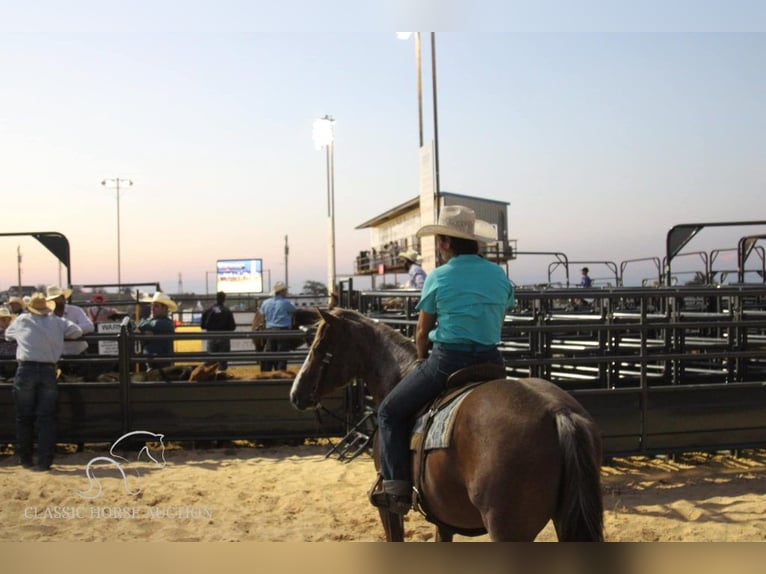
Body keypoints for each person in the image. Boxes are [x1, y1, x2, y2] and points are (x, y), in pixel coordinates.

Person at [371, 205, 515, 515]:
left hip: (449, 360)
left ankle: (396, 489)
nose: (439, 246)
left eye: (439, 240)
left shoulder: (439, 276)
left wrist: (422, 359)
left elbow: (422, 331)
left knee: (390, 413)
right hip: (491, 360)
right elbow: (500, 313)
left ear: (446, 242)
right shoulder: (498, 274)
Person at [4, 292, 83, 471]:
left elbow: (8, 335)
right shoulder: (58, 321)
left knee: (24, 417)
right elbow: (77, 332)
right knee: (47, 418)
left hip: (26, 369)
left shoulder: (22, 320)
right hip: (48, 369)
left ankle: (25, 459)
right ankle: (45, 461)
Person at [46, 285, 95, 376]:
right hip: (57, 358)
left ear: (64, 298)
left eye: (58, 298)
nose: (56, 301)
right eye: (53, 299)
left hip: (79, 355)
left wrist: (69, 331)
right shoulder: (47, 316)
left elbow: (89, 326)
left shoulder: (76, 311)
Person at [256, 281, 295, 372]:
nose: (286, 292)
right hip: (283, 330)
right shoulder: (285, 302)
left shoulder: (266, 302)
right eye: (285, 290)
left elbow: (262, 313)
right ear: (281, 291)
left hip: (270, 329)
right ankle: (281, 372)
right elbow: (293, 310)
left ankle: (267, 372)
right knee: (282, 353)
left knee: (270, 352)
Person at [137, 292, 177, 370]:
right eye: (152, 306)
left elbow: (142, 324)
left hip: (162, 363)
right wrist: (144, 332)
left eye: (156, 306)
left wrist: (144, 330)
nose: (152, 308)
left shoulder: (166, 323)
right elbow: (142, 324)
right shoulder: (157, 322)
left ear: (165, 309)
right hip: (152, 362)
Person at [200, 291, 236, 371]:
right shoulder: (227, 311)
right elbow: (232, 327)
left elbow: (202, 325)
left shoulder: (208, 311)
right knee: (223, 361)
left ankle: (211, 379)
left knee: (211, 360)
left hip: (211, 337)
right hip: (224, 337)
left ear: (216, 299)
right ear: (224, 299)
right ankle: (221, 376)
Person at [0, 306, 18, 380]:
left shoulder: (15, 332)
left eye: (8, 319)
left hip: (14, 362)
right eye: (3, 319)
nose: (6, 322)